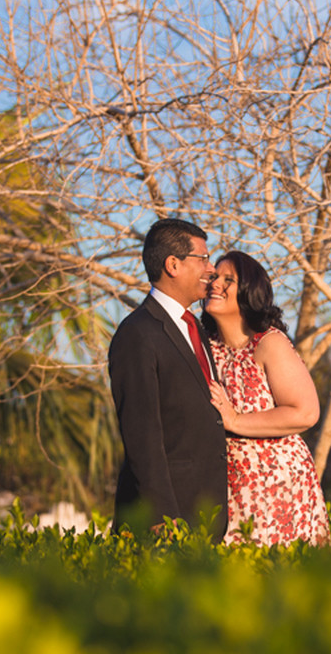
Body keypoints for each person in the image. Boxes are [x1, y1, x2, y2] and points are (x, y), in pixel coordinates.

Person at [108, 218, 228, 539]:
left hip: (204, 514)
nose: (211, 268)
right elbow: (142, 435)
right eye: (202, 258)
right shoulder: (137, 333)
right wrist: (163, 518)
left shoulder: (195, 328)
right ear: (173, 264)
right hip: (164, 521)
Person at [202, 250, 330, 546]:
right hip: (228, 488)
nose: (215, 284)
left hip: (278, 485)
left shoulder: (269, 343)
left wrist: (234, 420)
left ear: (249, 291)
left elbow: (305, 412)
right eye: (214, 276)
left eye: (228, 279)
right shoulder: (205, 346)